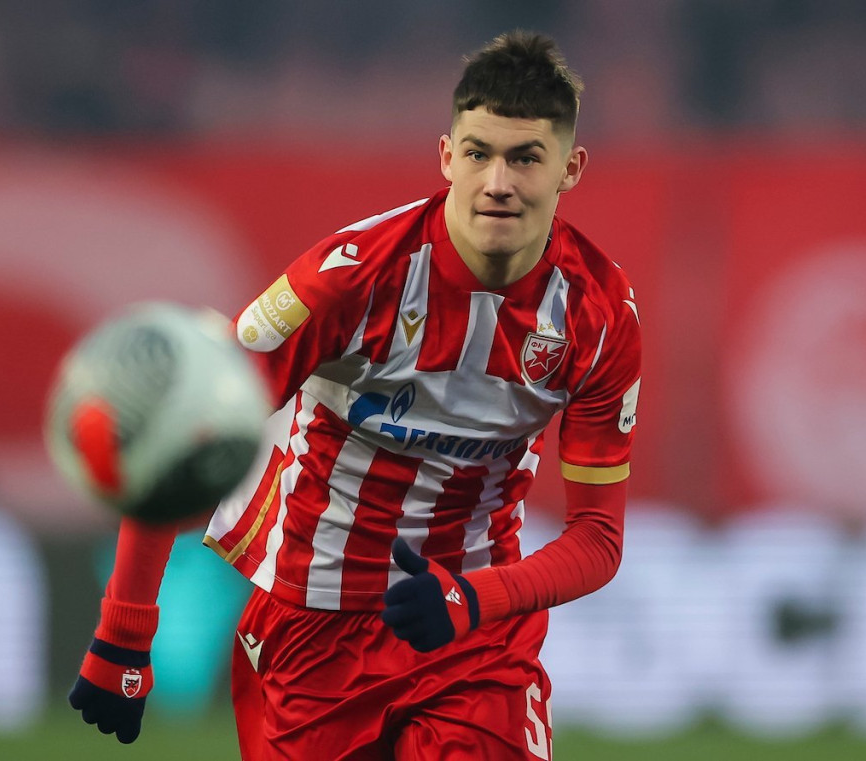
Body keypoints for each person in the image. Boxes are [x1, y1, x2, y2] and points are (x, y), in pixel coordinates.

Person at [69, 30, 641, 760]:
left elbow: (598, 537)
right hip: (313, 630)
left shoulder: (599, 314)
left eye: (526, 157)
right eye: (478, 154)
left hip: (473, 634)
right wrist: (123, 630)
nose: (498, 181)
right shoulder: (350, 278)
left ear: (571, 168)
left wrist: (476, 599)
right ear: (447, 157)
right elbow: (185, 435)